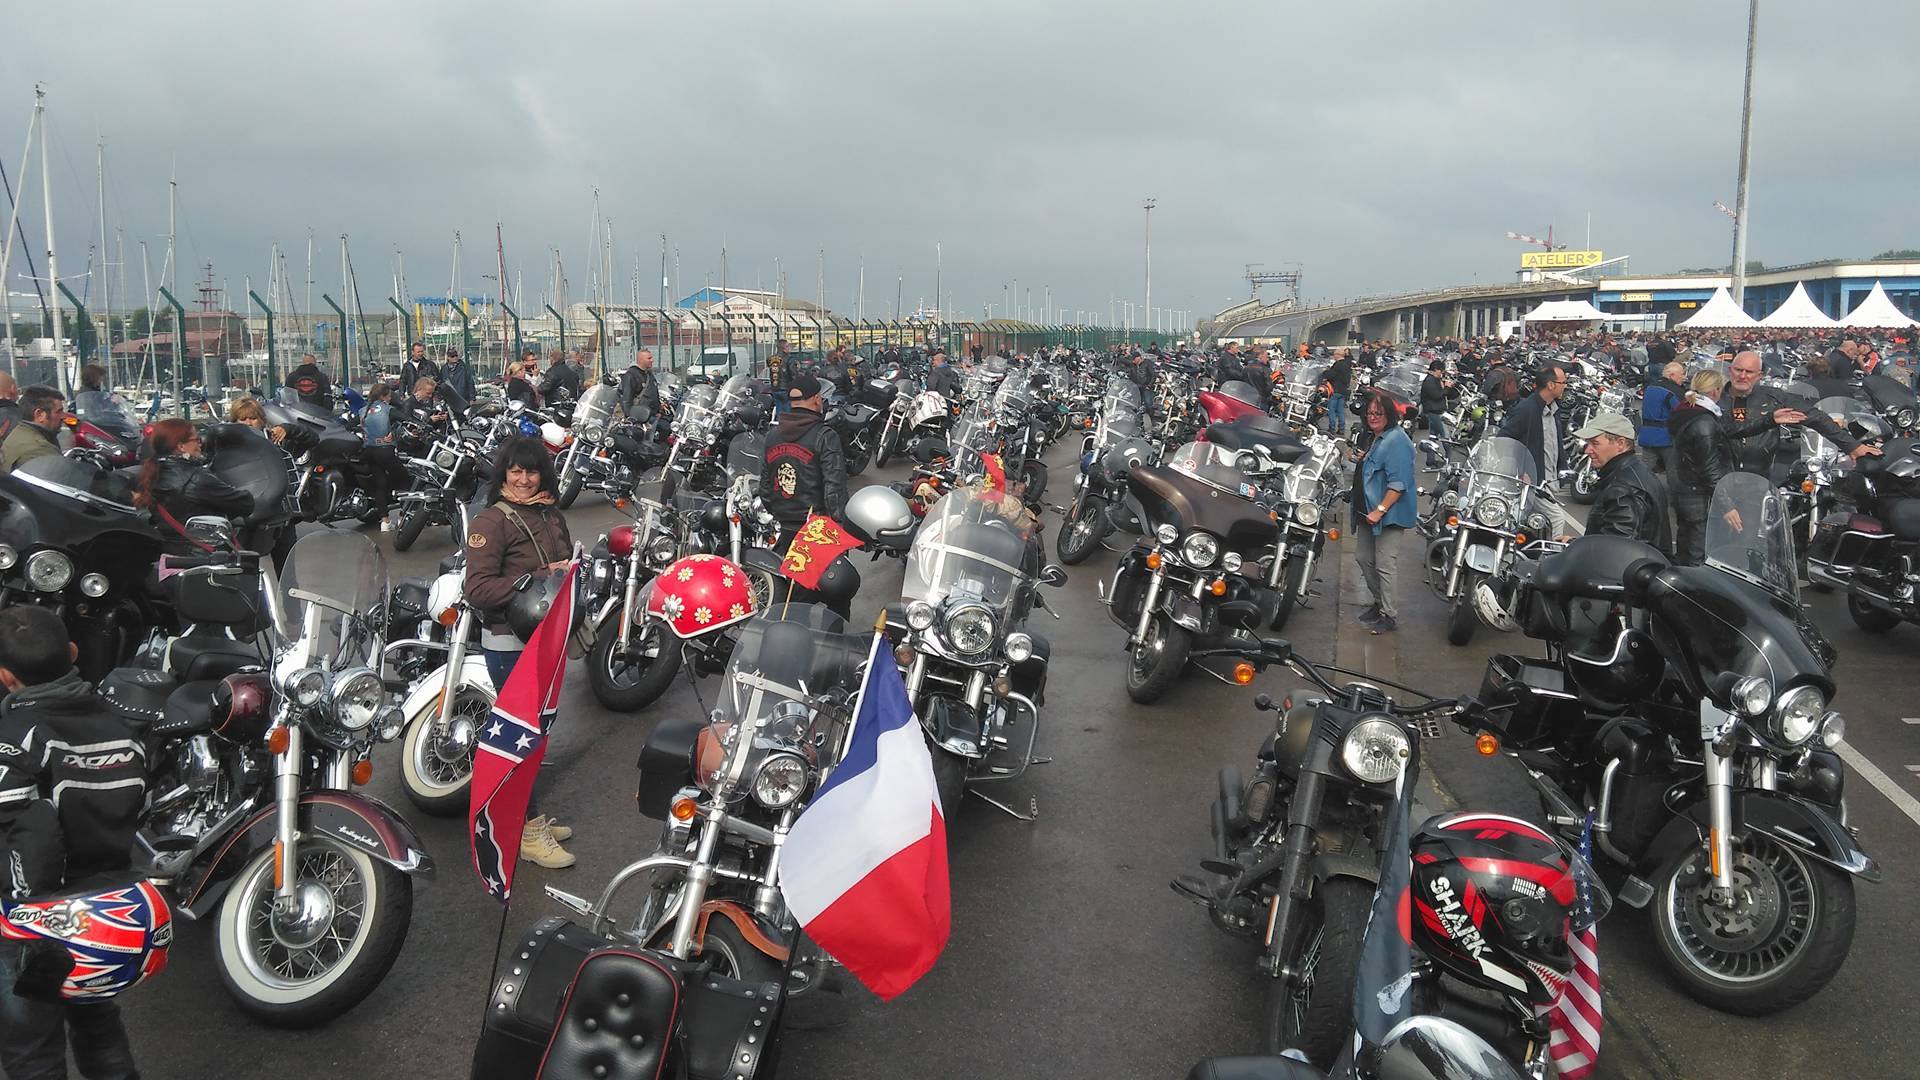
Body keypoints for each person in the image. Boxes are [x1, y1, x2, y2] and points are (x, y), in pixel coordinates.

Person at [0, 606, 147, 1080]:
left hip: (35, 920)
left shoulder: (14, 740)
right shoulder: (121, 726)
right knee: (98, 1022)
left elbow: (32, 836)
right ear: (72, 653)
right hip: (103, 912)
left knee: (32, 1048)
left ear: (5, 677)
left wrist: (25, 915)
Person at [463, 436, 576, 868]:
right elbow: (477, 588)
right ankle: (523, 832)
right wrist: (536, 576)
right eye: (515, 471)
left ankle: (528, 815)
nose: (524, 479)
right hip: (509, 644)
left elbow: (565, 562)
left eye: (531, 471)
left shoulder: (550, 512)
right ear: (503, 473)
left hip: (549, 639)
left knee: (539, 735)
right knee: (522, 740)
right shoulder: (491, 521)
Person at [760, 374, 853, 615]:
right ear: (816, 400)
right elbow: (834, 488)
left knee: (793, 596)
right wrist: (839, 527)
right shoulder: (825, 436)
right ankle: (831, 641)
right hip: (818, 528)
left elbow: (765, 487)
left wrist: (780, 513)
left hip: (784, 529)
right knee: (836, 592)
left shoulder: (772, 435)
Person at [1724, 349, 1872, 476]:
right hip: (1719, 477)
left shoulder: (1774, 397)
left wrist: (1852, 446)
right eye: (1738, 370)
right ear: (1730, 370)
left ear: (1760, 375)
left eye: (1749, 372)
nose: (1742, 376)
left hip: (1759, 476)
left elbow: (1815, 417)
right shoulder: (1714, 397)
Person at [134, 419, 255, 552]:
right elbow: (245, 504)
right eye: (196, 439)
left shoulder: (150, 474)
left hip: (169, 554)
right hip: (206, 557)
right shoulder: (195, 479)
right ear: (181, 446)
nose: (200, 443)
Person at [1351, 392, 1416, 634]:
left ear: (1389, 415)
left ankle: (1389, 614)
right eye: (1370, 413)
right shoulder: (1377, 438)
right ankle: (1379, 603)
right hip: (1366, 513)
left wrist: (1380, 510)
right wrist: (1362, 458)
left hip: (1388, 515)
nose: (1373, 417)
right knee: (1363, 558)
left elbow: (1398, 483)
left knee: (1385, 564)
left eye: (1379, 413)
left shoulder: (1397, 440)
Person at [1572, 412, 1669, 550]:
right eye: (1587, 443)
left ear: (1620, 443)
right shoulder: (1634, 471)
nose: (1587, 450)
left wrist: (1578, 549)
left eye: (1595, 443)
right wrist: (1577, 543)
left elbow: (1616, 550)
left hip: (1628, 569)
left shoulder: (1623, 489)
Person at [1669, 370, 1735, 564]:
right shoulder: (1705, 421)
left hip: (1682, 488)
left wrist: (1769, 420)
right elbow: (1710, 468)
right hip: (1698, 495)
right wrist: (1727, 506)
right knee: (1698, 552)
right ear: (1716, 391)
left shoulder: (1685, 411)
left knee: (1684, 546)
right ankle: (1691, 592)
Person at [1497, 361, 1569, 485]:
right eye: (1562, 383)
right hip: (1533, 485)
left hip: (1551, 483)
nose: (1565, 386)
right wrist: (1520, 471)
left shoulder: (1554, 409)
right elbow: (1503, 440)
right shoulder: (1526, 409)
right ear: (1551, 385)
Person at [0, 386, 66, 475]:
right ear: (39, 414)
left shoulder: (20, 431)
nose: (63, 416)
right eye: (59, 411)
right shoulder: (40, 449)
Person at [1638, 360, 1685, 475]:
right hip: (1666, 438)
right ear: (1672, 375)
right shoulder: (1674, 391)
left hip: (1647, 435)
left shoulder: (1650, 387)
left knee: (1644, 471)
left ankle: (1639, 491)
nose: (1684, 378)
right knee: (1673, 471)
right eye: (1682, 374)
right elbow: (1681, 413)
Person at [617, 348, 660, 421]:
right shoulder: (631, 375)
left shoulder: (649, 374)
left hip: (652, 416)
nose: (652, 360)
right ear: (641, 360)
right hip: (640, 418)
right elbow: (626, 399)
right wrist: (630, 418)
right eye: (649, 358)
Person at [1323, 349, 1352, 434]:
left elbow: (1332, 375)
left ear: (1338, 355)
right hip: (1343, 391)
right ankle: (1341, 429)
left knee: (1331, 410)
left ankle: (1332, 428)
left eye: (1334, 354)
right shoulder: (1347, 365)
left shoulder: (1337, 365)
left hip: (1335, 390)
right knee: (1340, 411)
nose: (1333, 356)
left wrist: (1325, 372)